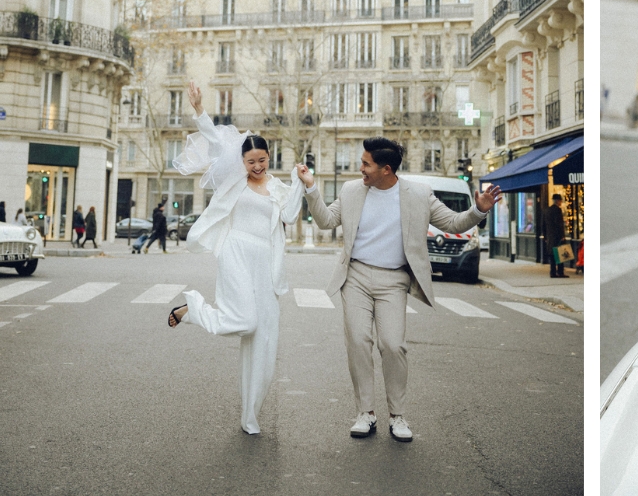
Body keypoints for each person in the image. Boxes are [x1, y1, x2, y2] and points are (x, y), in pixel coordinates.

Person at [296, 138, 502, 442]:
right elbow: (326, 221)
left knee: (393, 345)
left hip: (393, 281)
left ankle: (397, 415)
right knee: (358, 341)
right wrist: (311, 188)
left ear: (386, 169)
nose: (360, 168)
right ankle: (365, 413)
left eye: (366, 164)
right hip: (355, 276)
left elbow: (453, 222)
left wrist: (478, 210)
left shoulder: (418, 194)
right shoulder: (352, 190)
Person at [166, 81, 303, 435]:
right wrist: (199, 109)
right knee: (244, 322)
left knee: (264, 343)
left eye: (262, 160)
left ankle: (250, 416)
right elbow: (214, 140)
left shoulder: (277, 186)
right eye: (250, 160)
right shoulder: (234, 177)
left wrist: (302, 183)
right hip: (237, 253)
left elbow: (289, 215)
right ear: (241, 160)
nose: (256, 166)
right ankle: (192, 311)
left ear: (269, 158)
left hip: (267, 265)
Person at [544, 193, 567, 278]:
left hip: (550, 237)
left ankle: (552, 272)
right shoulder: (558, 210)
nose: (561, 202)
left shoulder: (547, 210)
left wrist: (545, 236)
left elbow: (544, 224)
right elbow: (559, 224)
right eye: (560, 200)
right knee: (560, 254)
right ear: (558, 201)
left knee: (552, 255)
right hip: (557, 236)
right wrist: (562, 235)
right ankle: (560, 272)